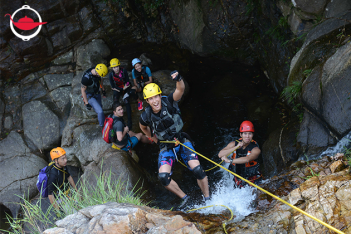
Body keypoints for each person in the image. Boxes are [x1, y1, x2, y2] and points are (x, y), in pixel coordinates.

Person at [139, 71, 210, 209]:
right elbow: (142, 127)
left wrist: (178, 78)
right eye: (151, 99)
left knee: (198, 170)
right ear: (147, 101)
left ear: (160, 95)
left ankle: (208, 198)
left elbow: (180, 89)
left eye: (156, 97)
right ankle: (185, 198)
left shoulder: (169, 102)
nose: (155, 101)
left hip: (182, 141)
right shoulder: (146, 115)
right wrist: (153, 138)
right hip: (166, 147)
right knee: (164, 178)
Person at [218, 121, 262, 188]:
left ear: (252, 135)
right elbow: (220, 154)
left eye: (250, 134)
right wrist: (236, 147)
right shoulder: (234, 144)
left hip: (253, 180)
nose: (247, 136)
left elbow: (247, 159)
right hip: (238, 179)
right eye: (245, 134)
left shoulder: (256, 149)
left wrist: (230, 161)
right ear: (241, 135)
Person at [108, 58, 136, 129]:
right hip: (118, 89)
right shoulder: (111, 75)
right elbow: (113, 86)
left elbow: (127, 81)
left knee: (126, 100)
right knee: (116, 102)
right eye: (114, 67)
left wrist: (125, 88)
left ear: (119, 66)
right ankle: (118, 119)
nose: (116, 69)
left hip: (125, 87)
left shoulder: (123, 71)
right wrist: (121, 89)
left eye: (117, 66)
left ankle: (129, 123)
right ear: (112, 68)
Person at [47, 147, 78, 212]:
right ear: (56, 160)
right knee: (73, 213)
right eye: (63, 159)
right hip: (60, 198)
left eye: (65, 157)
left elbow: (68, 176)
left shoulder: (63, 166)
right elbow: (50, 194)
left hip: (67, 192)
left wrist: (76, 191)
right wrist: (57, 209)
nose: (65, 160)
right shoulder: (53, 175)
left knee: (80, 205)